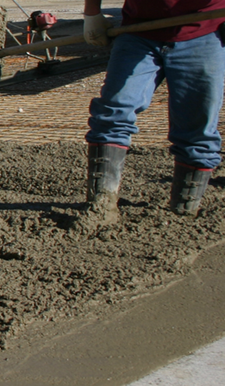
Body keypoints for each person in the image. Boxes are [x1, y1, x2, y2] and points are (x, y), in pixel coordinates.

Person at [83, 0, 225, 223]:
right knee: (112, 111)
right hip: (139, 31)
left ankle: (183, 213)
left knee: (197, 127)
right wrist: (92, 14)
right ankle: (101, 204)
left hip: (203, 31)